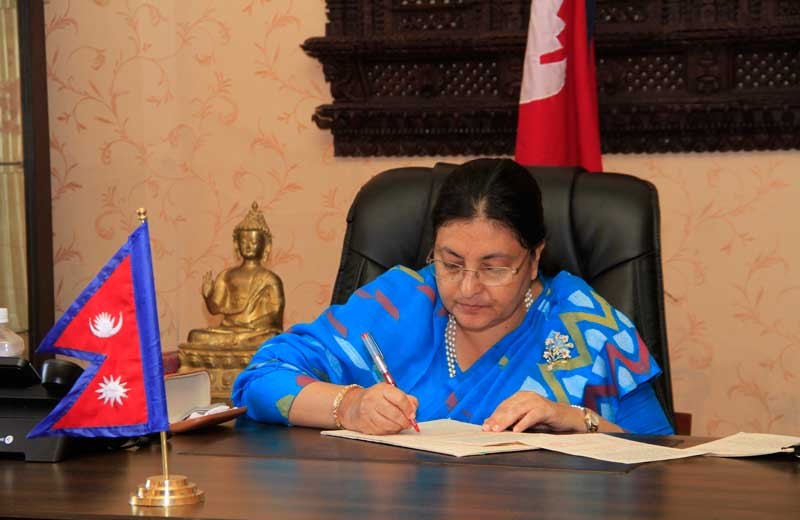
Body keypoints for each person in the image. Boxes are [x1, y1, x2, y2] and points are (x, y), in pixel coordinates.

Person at [231, 159, 674, 435]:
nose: (467, 288)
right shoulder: (402, 301)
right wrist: (349, 405)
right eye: (451, 262)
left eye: (495, 267)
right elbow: (258, 380)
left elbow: (660, 465)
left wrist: (577, 420)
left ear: (535, 258)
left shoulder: (590, 331)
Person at [187, 202, 284, 348]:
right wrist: (208, 296)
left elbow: (275, 315)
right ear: (236, 245)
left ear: (265, 246)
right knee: (195, 336)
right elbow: (215, 309)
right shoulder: (227, 275)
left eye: (253, 242)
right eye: (243, 241)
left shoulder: (270, 279)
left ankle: (240, 343)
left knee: (271, 338)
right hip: (228, 331)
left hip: (255, 332)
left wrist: (250, 326)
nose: (248, 246)